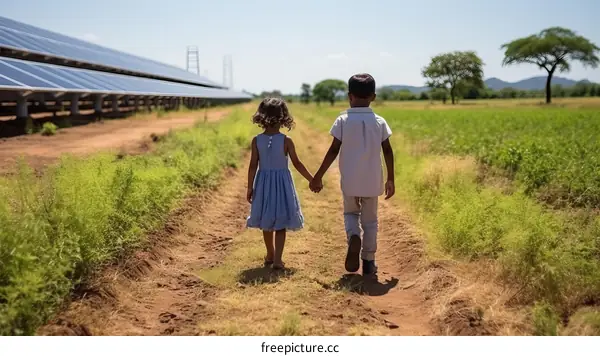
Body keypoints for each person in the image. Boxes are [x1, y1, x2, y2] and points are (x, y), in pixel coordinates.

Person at [310, 73, 395, 276]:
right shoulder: (380, 122)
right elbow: (388, 151)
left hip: (350, 180)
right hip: (372, 181)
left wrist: (318, 175)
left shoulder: (342, 120)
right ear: (373, 97)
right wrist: (390, 178)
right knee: (371, 221)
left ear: (350, 96)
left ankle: (354, 235)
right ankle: (368, 261)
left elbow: (333, 151)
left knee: (350, 214)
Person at [247, 97, 314, 270]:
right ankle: (277, 259)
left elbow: (253, 165)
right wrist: (312, 179)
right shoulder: (286, 140)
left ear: (261, 116)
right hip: (282, 185)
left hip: (263, 183)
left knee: (267, 220)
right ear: (284, 117)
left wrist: (250, 187)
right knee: (281, 222)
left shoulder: (256, 140)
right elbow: (297, 164)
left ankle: (270, 253)